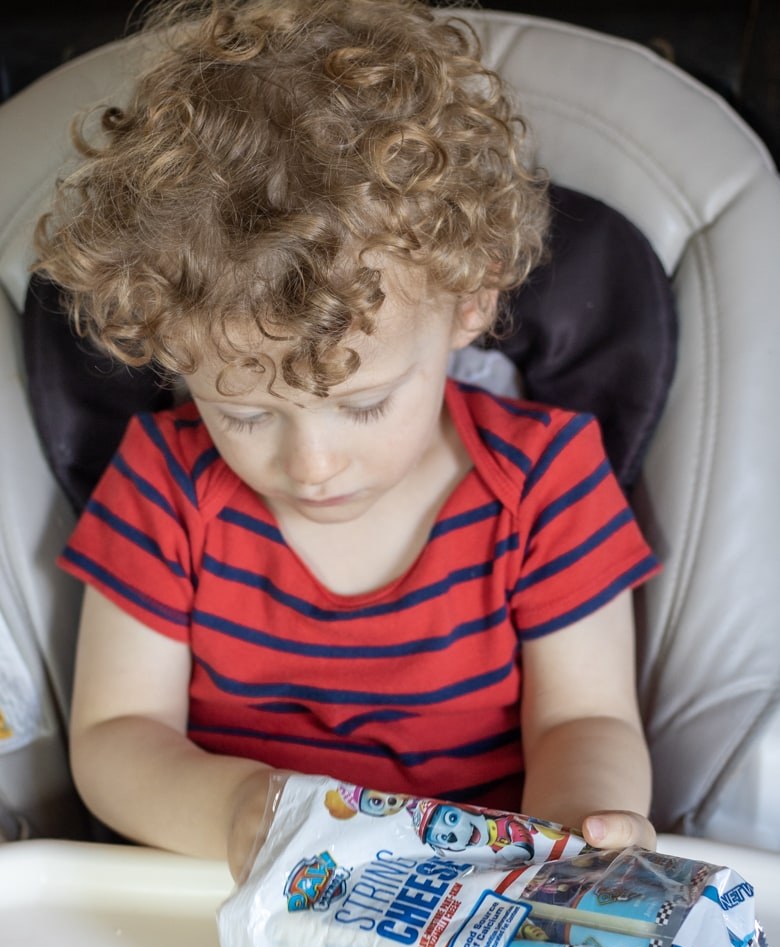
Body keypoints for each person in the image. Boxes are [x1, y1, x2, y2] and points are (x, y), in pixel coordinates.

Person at [33, 0, 660, 880]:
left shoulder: (547, 482)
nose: (310, 464)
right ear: (171, 347)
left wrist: (568, 842)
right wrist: (237, 812)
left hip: (473, 900)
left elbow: (582, 723)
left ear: (469, 303)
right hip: (221, 894)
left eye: (363, 403)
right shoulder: (165, 485)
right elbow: (114, 739)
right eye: (245, 413)